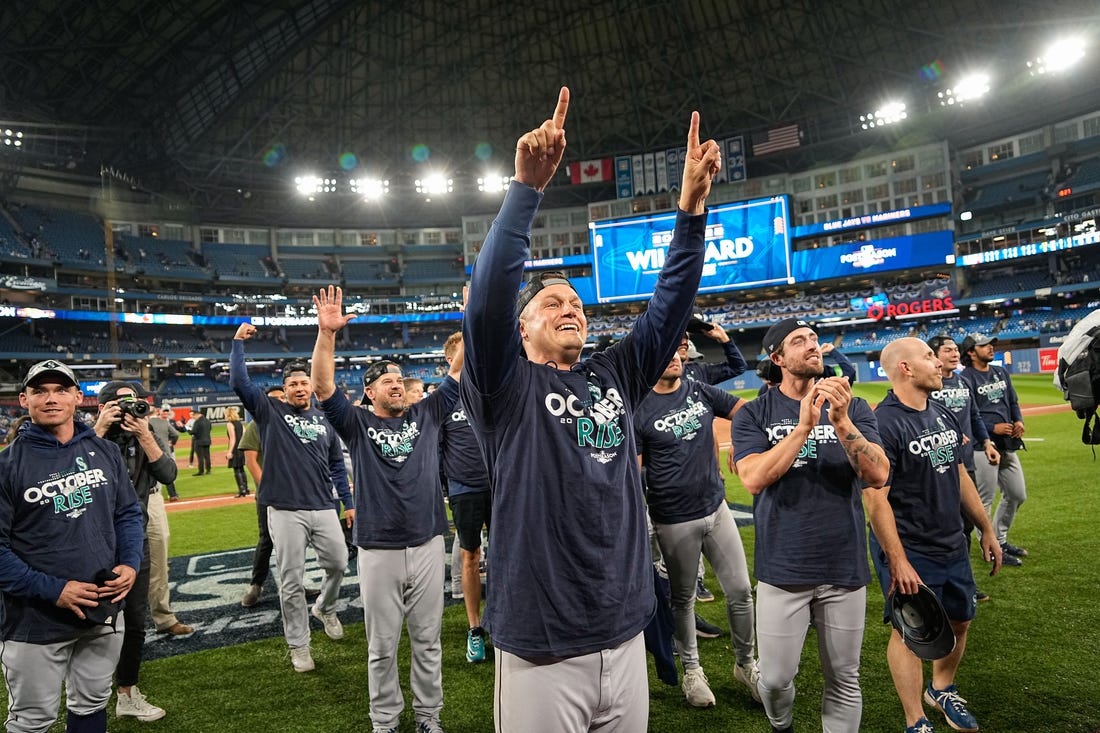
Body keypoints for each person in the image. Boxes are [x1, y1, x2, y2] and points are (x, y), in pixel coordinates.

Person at [461, 88, 719, 732]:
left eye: (576, 301)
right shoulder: (503, 384)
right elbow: (487, 304)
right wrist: (525, 191)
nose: (569, 307)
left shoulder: (614, 373)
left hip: (625, 629)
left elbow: (669, 308)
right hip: (541, 646)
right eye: (551, 304)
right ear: (522, 332)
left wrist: (689, 211)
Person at [312, 293, 462, 733]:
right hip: (378, 547)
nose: (397, 384)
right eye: (386, 381)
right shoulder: (356, 422)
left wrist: (475, 315)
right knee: (381, 646)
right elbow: (323, 386)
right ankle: (384, 721)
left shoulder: (429, 412)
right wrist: (326, 333)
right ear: (369, 393)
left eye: (400, 379)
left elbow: (458, 369)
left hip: (429, 541)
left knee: (428, 642)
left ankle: (429, 717)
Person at [732, 317, 889, 733]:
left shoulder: (853, 408)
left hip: (844, 565)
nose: (812, 345)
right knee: (777, 679)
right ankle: (781, 725)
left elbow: (878, 474)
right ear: (777, 357)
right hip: (784, 569)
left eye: (815, 339)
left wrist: (839, 421)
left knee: (844, 677)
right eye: (799, 340)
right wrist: (803, 427)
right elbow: (752, 477)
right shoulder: (753, 413)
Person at [863, 338, 1003, 733]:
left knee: (960, 619)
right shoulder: (883, 423)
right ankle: (916, 721)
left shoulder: (942, 413)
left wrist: (986, 529)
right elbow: (875, 500)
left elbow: (959, 476)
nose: (938, 363)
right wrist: (898, 560)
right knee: (910, 633)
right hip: (910, 547)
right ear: (905, 368)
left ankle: (941, 688)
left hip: (951, 541)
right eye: (929, 356)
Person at [0, 360, 144, 733]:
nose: (51, 398)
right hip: (34, 619)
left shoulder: (105, 451)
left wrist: (129, 563)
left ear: (78, 398)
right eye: (40, 391)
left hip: (104, 607)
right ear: (23, 399)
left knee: (92, 702)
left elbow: (128, 513)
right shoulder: (7, 466)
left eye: (61, 390)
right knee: (32, 720)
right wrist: (55, 590)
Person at [634, 351, 757, 708]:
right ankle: (692, 670)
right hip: (673, 520)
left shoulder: (698, 390)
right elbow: (635, 472)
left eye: (677, 352)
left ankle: (746, 664)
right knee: (683, 600)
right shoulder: (640, 408)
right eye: (666, 352)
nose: (674, 357)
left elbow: (744, 411)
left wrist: (742, 441)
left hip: (716, 509)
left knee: (741, 592)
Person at [229, 330, 355, 672]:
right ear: (284, 390)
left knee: (339, 563)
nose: (300, 388)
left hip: (322, 505)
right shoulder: (269, 411)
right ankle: (299, 645)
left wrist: (348, 502)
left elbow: (336, 466)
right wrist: (239, 343)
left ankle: (325, 608)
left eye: (304, 383)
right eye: (293, 384)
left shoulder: (324, 419)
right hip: (284, 509)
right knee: (290, 579)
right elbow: (239, 382)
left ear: (312, 387)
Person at [92, 381, 181, 722]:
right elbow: (73, 465)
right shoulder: (88, 439)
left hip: (133, 539)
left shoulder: (143, 436)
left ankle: (127, 692)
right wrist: (100, 428)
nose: (129, 409)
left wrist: (144, 435)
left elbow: (168, 472)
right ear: (103, 407)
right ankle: (86, 687)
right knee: (93, 619)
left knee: (135, 619)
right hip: (92, 540)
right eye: (120, 404)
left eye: (135, 402)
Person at [927, 335, 1000, 600]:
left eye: (956, 349)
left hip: (965, 463)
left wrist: (987, 442)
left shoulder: (963, 379)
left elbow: (974, 415)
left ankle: (963, 581)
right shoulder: (929, 384)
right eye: (947, 350)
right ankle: (940, 582)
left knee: (966, 526)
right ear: (934, 354)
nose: (954, 354)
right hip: (939, 465)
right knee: (947, 527)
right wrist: (949, 432)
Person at [438, 332, 492, 664]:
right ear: (450, 360)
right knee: (470, 556)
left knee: (507, 555)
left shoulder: (489, 391)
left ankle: (503, 618)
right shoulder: (443, 400)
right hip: (464, 489)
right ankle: (475, 629)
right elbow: (436, 450)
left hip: (501, 486)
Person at [959, 334, 1029, 565]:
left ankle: (1000, 538)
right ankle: (991, 547)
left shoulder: (1001, 372)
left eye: (991, 344)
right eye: (984, 345)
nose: (991, 347)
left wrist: (1017, 421)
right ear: (971, 352)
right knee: (984, 500)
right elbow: (971, 415)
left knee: (1017, 494)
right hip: (982, 447)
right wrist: (993, 428)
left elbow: (1013, 401)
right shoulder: (965, 379)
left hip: (1007, 445)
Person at [239, 386, 283, 608]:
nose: (279, 403)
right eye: (274, 400)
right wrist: (268, 487)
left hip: (297, 494)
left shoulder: (294, 424)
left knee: (296, 542)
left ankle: (296, 583)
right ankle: (256, 584)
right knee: (267, 539)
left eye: (282, 399)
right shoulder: (256, 425)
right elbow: (250, 460)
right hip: (269, 495)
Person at [149, 406, 180, 501]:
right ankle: (173, 495)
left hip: (151, 451)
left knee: (153, 473)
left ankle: (156, 493)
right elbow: (175, 434)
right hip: (165, 450)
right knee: (167, 473)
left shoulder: (146, 422)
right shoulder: (164, 422)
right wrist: (171, 443)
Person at [224, 406, 250, 497]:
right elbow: (244, 436)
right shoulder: (240, 424)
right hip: (241, 448)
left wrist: (229, 451)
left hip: (235, 449)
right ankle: (246, 488)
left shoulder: (230, 424)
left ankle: (241, 489)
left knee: (237, 469)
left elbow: (232, 439)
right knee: (242, 469)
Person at [188, 408, 212, 476]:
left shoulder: (197, 422)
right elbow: (210, 429)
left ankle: (201, 471)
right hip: (207, 440)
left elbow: (193, 432)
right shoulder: (207, 421)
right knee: (207, 456)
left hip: (199, 441)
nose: (193, 417)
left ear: (197, 415)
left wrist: (188, 430)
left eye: (194, 416)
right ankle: (208, 470)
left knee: (200, 457)